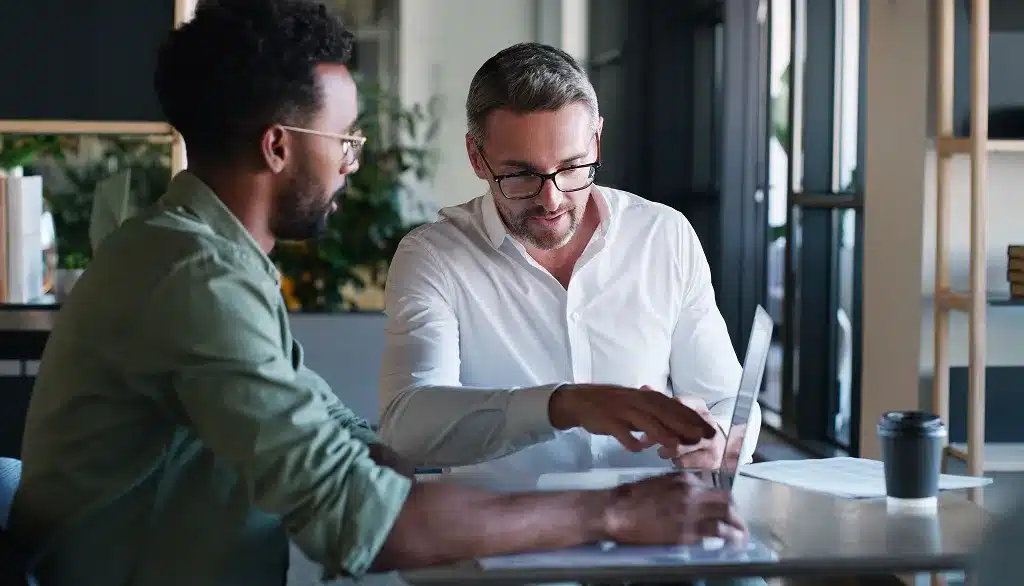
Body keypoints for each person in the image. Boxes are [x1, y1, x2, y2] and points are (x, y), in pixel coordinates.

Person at [8, 2, 747, 585]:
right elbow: (360, 521)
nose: (353, 164)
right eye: (347, 139)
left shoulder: (214, 258)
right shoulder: (192, 277)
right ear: (279, 146)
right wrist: (613, 510)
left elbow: (346, 439)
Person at [379, 42, 759, 476]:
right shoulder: (433, 258)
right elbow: (407, 425)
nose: (552, 199)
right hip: (505, 534)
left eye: (572, 167)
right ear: (476, 158)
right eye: (521, 174)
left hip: (652, 528)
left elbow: (728, 401)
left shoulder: (664, 235)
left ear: (596, 140)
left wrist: (720, 438)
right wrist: (560, 404)